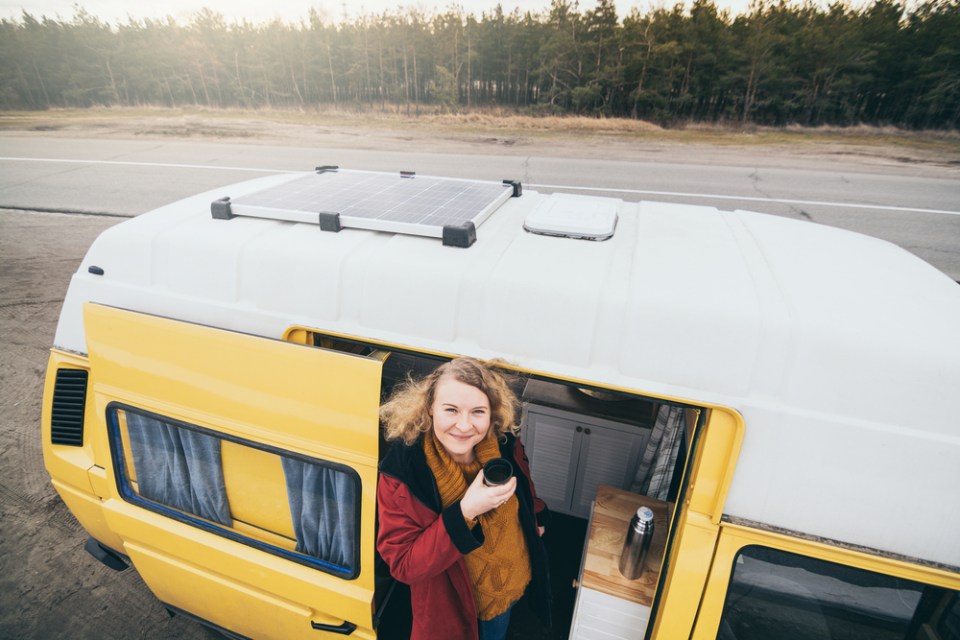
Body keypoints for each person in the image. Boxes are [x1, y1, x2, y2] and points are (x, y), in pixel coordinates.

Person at [377, 357, 551, 640]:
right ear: (430, 408)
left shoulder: (504, 442)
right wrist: (466, 511)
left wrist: (537, 516)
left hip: (515, 577)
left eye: (478, 412)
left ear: (492, 412)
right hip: (462, 610)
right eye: (451, 410)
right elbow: (404, 564)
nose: (464, 425)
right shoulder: (402, 474)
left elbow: (524, 483)